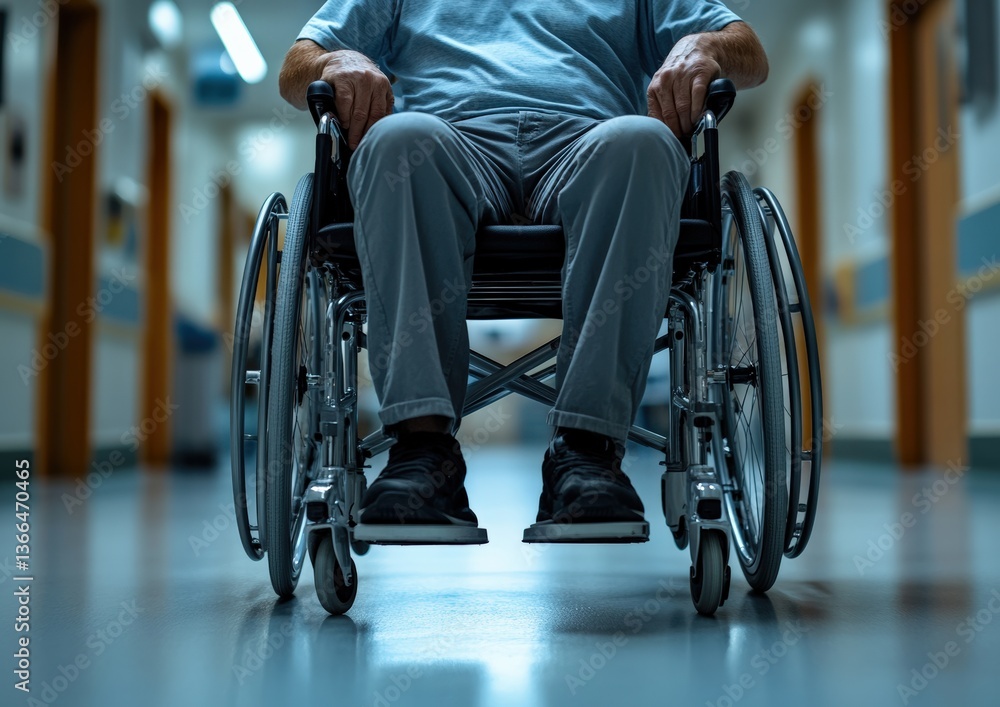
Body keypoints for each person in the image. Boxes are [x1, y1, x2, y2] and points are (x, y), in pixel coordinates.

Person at [278, 0, 768, 542]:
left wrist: (706, 46)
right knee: (394, 140)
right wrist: (336, 60)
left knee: (645, 141)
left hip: (588, 144)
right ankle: (421, 452)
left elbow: (748, 50)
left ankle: (586, 454)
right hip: (449, 144)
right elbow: (297, 65)